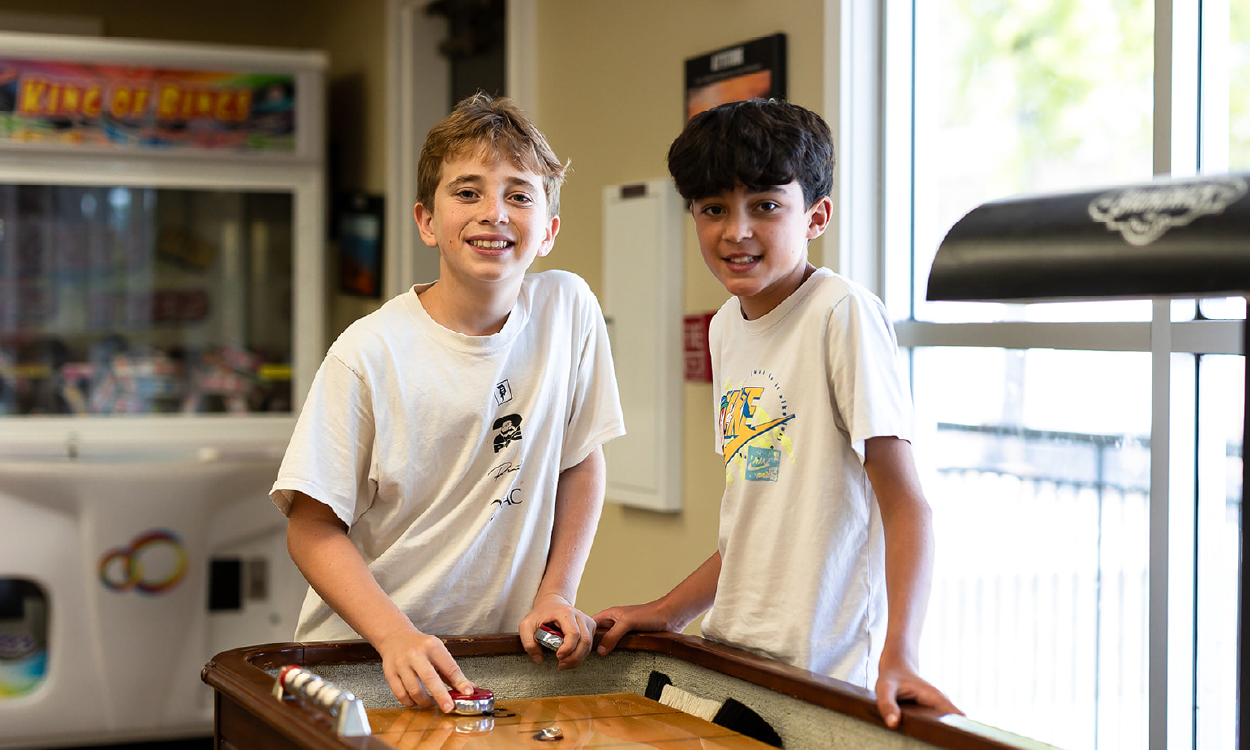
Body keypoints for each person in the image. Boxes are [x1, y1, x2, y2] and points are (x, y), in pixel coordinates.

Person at [592, 99, 959, 729]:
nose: (736, 231)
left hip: (823, 671)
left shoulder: (841, 314)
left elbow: (906, 504)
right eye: (713, 209)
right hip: (735, 653)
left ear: (816, 216)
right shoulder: (726, 328)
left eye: (764, 205)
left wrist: (902, 653)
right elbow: (754, 515)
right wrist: (668, 610)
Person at [273, 93, 625, 714]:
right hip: (368, 661)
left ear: (549, 230)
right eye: (468, 192)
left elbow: (580, 459)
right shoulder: (368, 352)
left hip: (497, 661)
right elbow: (310, 526)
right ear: (426, 221)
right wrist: (394, 635)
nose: (495, 213)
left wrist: (558, 593)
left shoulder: (570, 310)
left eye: (519, 195)